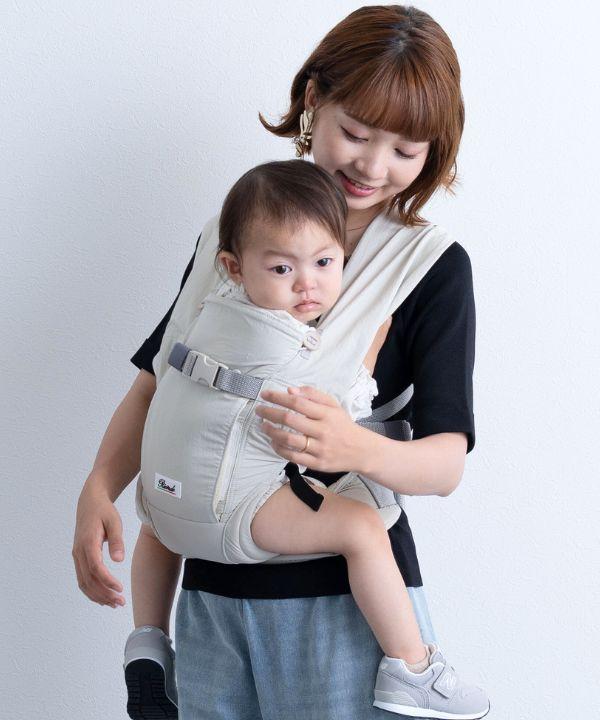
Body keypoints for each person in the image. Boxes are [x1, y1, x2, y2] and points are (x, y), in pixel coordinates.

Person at [73, 5, 485, 719]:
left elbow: (446, 463)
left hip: (346, 605)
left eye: (405, 149)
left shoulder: (430, 268)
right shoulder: (234, 235)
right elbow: (159, 382)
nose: (372, 166)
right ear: (313, 100)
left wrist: (351, 446)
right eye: (356, 132)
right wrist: (98, 488)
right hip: (209, 590)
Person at [122, 159, 489, 720]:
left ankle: (147, 640)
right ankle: (413, 671)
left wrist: (103, 488)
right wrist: (368, 349)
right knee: (362, 529)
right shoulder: (274, 308)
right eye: (357, 133)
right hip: (247, 548)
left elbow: (160, 380)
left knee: (158, 511)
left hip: (194, 541)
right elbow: (341, 394)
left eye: (324, 262)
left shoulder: (221, 297)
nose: (307, 284)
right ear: (234, 265)